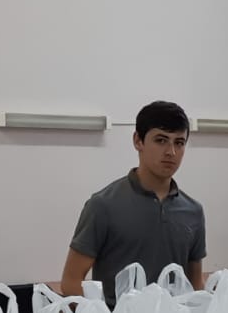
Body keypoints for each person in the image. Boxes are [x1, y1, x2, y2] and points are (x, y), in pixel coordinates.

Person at [60, 101, 205, 299]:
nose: (171, 152)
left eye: (179, 143)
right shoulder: (103, 206)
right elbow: (71, 281)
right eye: (161, 140)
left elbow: (195, 284)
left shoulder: (193, 211)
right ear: (138, 141)